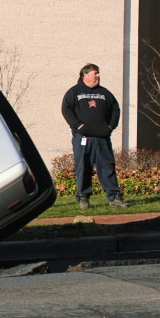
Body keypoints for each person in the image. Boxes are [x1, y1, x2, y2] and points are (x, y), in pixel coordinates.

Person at [61, 63, 128, 209]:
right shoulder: (74, 92)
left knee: (107, 167)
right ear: (85, 75)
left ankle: (114, 197)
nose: (97, 76)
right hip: (83, 138)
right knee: (83, 167)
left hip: (102, 138)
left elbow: (115, 110)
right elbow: (66, 110)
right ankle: (84, 197)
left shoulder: (105, 93)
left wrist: (110, 127)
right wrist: (78, 126)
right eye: (95, 73)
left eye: (98, 73)